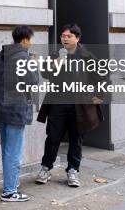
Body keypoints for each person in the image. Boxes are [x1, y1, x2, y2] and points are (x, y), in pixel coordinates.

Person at [35, 23, 104, 187]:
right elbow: (45, 73)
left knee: (76, 138)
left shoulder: (87, 56)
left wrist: (99, 95)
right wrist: (55, 63)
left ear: (77, 38)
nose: (64, 39)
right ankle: (46, 168)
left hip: (79, 105)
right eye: (62, 36)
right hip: (57, 103)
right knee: (53, 137)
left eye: (68, 36)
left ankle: (73, 170)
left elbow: (101, 77)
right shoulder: (56, 54)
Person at [0, 25, 39, 202]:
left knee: (7, 149)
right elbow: (33, 82)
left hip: (2, 109)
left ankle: (10, 184)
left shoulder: (2, 56)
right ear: (25, 39)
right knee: (14, 152)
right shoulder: (23, 58)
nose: (31, 42)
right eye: (31, 39)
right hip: (16, 111)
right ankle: (10, 191)